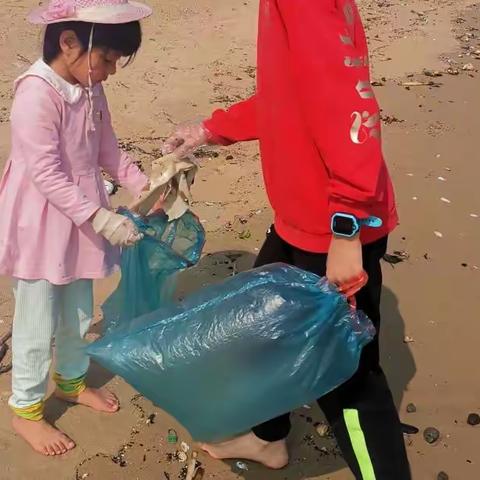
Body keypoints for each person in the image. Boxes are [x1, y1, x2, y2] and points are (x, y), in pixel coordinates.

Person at [163, 1, 411, 478]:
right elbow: (291, 97)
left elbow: (348, 106)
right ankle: (268, 437)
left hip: (332, 226)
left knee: (349, 380)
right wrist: (212, 129)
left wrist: (346, 226)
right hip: (303, 219)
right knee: (265, 331)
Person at [0, 0, 153, 456]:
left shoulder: (90, 88)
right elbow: (45, 174)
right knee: (36, 318)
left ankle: (70, 381)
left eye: (115, 62)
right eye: (105, 58)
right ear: (69, 43)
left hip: (81, 218)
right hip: (43, 221)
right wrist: (103, 217)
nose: (109, 70)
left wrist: (149, 184)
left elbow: (108, 150)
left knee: (79, 309)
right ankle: (26, 409)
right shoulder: (35, 92)